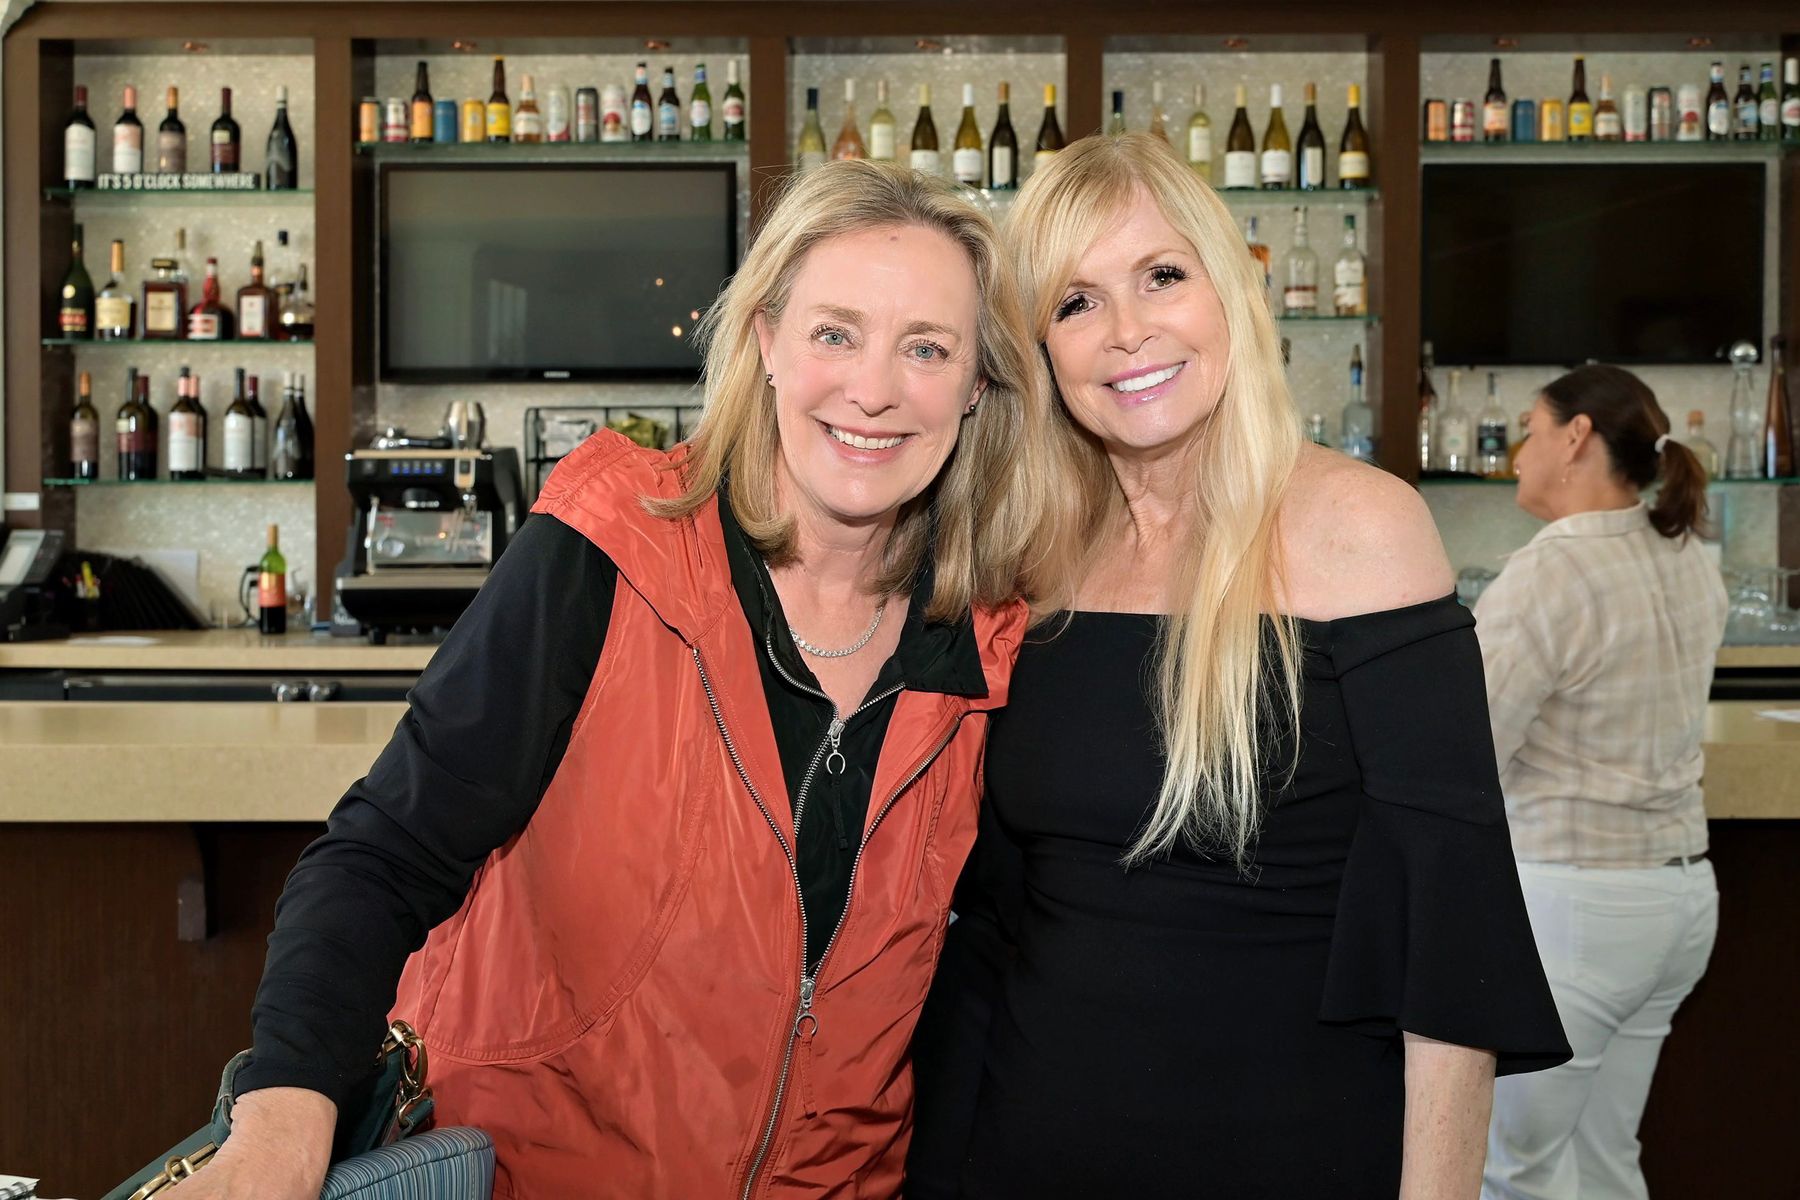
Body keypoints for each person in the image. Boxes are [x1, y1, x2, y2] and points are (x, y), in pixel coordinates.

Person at [165, 161, 1057, 1198]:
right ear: (766, 342)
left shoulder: (989, 645)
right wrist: (280, 1128)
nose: (873, 389)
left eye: (927, 348)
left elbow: (987, 978)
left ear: (977, 387)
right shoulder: (612, 545)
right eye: (835, 333)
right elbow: (385, 855)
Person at [907, 133, 1570, 1199]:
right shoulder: (1034, 557)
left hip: (1295, 1151)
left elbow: (1450, 940)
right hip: (1024, 1147)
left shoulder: (1360, 531)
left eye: (1162, 276)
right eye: (1075, 303)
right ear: (1038, 353)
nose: (1127, 331)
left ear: (1232, 291)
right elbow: (993, 922)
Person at [1477, 365, 1727, 1200]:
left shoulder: (1553, 570)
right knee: (1605, 1160)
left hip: (1576, 912)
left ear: (1576, 437)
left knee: (1510, 1173)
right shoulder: (1688, 552)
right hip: (1678, 903)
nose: (1519, 455)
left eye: (1531, 431)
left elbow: (1471, 752)